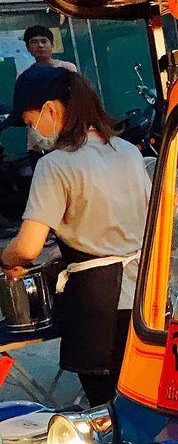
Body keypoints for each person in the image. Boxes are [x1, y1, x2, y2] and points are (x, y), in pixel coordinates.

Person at [1, 67, 150, 405]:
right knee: (143, 404)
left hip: (98, 308)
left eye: (29, 122)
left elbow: (27, 247)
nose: (33, 133)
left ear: (51, 110)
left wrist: (5, 259)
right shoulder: (127, 151)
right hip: (145, 298)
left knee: (107, 410)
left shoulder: (55, 165)